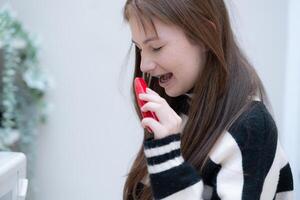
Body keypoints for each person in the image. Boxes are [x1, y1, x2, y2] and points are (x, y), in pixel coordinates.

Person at [122, 0, 294, 199]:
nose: (144, 65)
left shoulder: (250, 129)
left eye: (156, 47)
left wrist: (167, 159)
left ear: (204, 35)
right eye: (139, 49)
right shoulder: (174, 111)